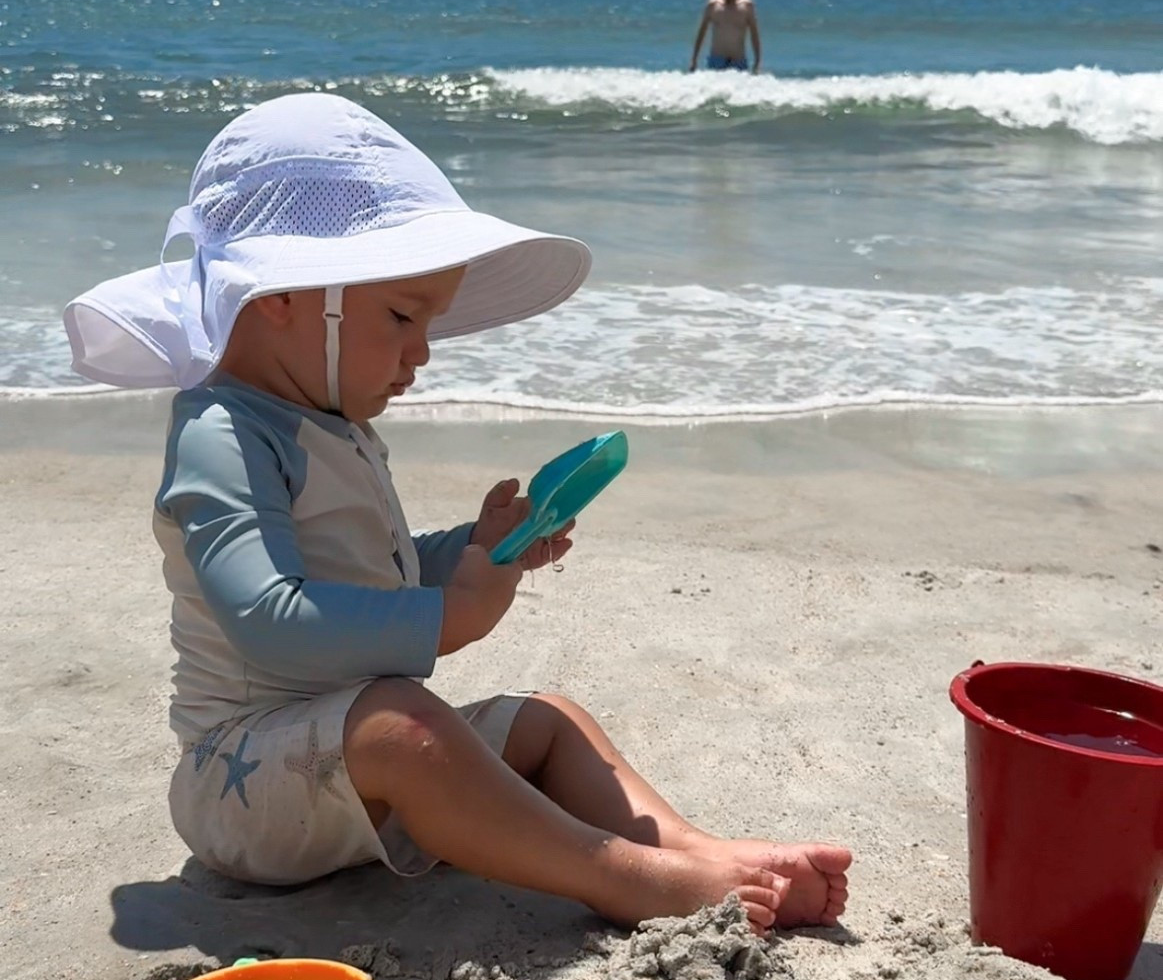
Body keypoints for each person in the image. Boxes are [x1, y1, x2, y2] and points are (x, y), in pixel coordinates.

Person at [64, 94, 847, 930]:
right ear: (278, 297)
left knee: (546, 720)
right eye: (402, 316)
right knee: (407, 727)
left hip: (351, 758)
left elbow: (370, 567)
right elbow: (265, 616)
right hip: (244, 782)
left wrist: (473, 548)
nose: (422, 351)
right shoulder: (222, 431)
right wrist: (451, 615)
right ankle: (625, 878)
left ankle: (693, 851)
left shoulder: (336, 426)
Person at [689, 0, 762, 73]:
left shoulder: (747, 6)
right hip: (716, 60)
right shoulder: (713, 5)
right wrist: (694, 59)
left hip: (738, 60)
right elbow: (701, 33)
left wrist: (757, 61)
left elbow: (754, 35)